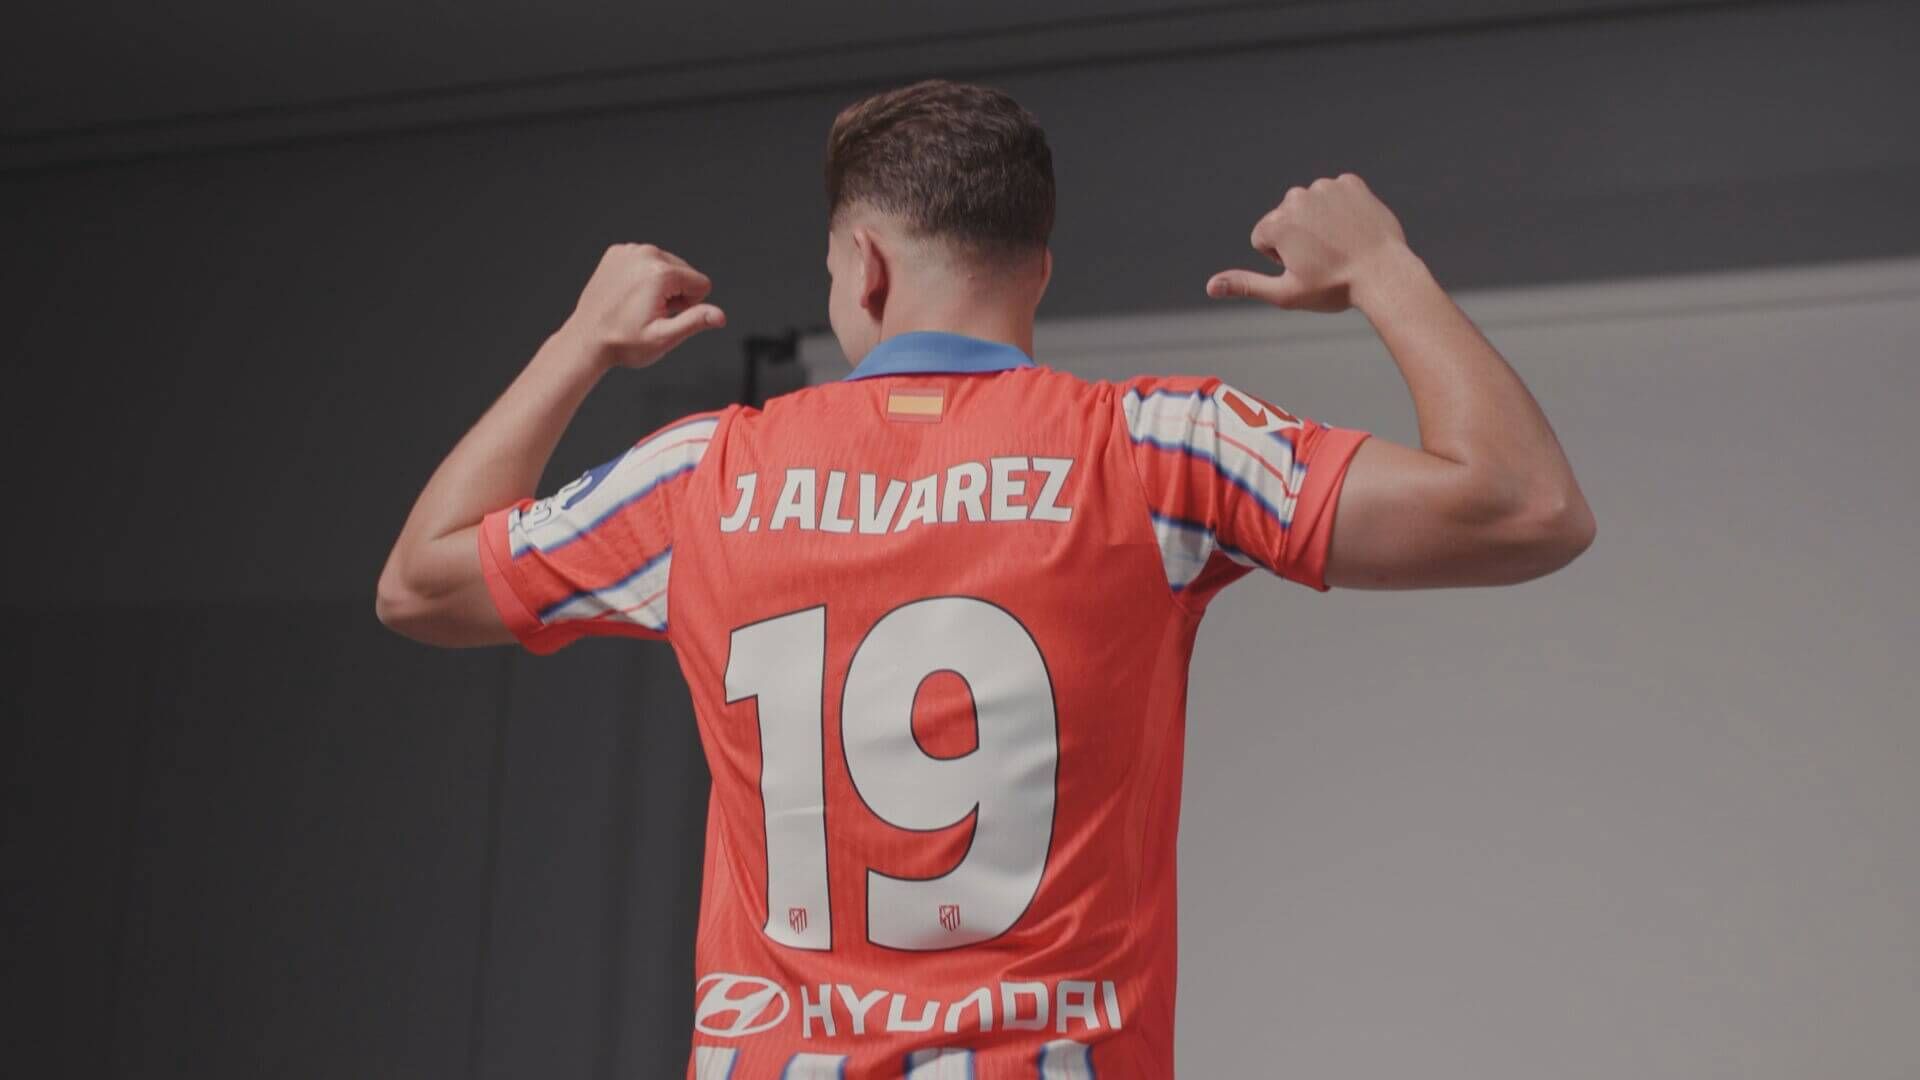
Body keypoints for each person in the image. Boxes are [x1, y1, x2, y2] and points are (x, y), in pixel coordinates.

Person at [377, 79, 1594, 1079]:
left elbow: (421, 585)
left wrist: (581, 342)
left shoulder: (702, 478)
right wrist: (1381, 264)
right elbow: (1526, 509)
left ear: (863, 268)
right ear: (1039, 271)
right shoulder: (1160, 451)